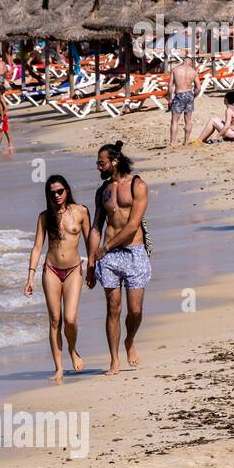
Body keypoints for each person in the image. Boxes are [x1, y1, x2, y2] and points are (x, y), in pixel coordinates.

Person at [87, 142, 150, 376]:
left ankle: (129, 340)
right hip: (109, 257)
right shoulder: (102, 191)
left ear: (114, 161)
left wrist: (106, 247)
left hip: (134, 252)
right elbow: (95, 227)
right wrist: (91, 263)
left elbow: (133, 225)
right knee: (113, 309)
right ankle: (114, 360)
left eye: (101, 163)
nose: (98, 167)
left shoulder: (137, 185)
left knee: (135, 310)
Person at [24, 176, 92, 383]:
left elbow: (90, 241)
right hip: (51, 270)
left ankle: (72, 350)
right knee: (55, 320)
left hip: (73, 270)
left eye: (60, 191)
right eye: (52, 192)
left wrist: (92, 268)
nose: (57, 195)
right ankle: (59, 367)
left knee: (70, 319)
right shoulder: (45, 216)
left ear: (67, 190)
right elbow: (37, 247)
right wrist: (30, 276)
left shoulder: (81, 211)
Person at [167, 53, 199, 146]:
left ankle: (173, 142)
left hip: (179, 95)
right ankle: (186, 141)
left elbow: (170, 85)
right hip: (189, 94)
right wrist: (193, 96)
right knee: (188, 120)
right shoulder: (193, 72)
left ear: (183, 61)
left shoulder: (175, 70)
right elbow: (198, 88)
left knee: (174, 120)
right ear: (191, 63)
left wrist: (170, 98)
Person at [0, 86, 13, 151]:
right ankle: (10, 144)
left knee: (0, 131)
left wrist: (2, 116)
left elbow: (6, 108)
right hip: (2, 116)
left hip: (2, 117)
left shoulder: (1, 98)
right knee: (6, 131)